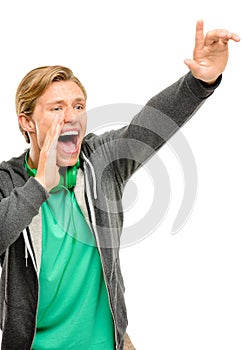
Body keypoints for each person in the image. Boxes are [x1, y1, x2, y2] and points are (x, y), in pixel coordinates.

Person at [0, 20, 240, 350]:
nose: (72, 116)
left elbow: (148, 127)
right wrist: (39, 185)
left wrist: (199, 81)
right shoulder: (6, 182)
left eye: (79, 106)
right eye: (57, 108)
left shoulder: (101, 162)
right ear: (26, 122)